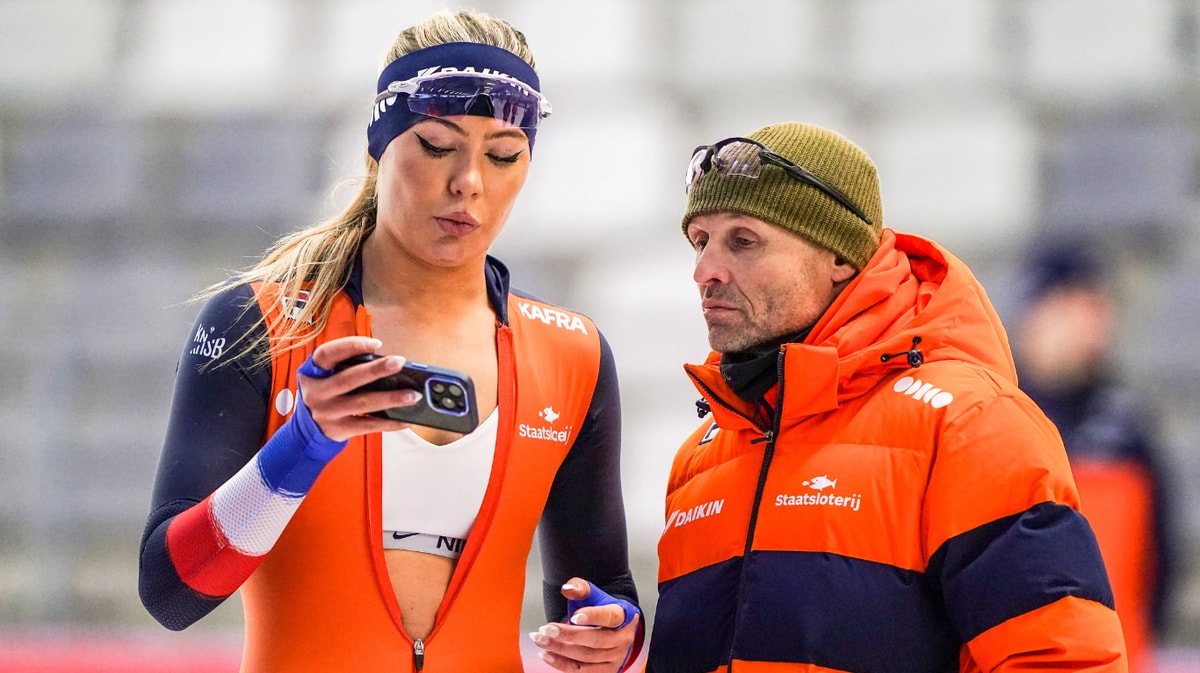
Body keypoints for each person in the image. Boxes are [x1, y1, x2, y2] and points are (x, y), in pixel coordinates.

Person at [137, 10, 642, 673]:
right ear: (378, 146)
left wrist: (613, 637)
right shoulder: (262, 321)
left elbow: (602, 593)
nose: (469, 181)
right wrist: (303, 445)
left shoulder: (572, 354)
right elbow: (172, 594)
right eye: (436, 145)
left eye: (503, 154)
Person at [646, 122, 1128, 672]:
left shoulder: (968, 424)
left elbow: (1064, 661)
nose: (705, 272)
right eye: (700, 241)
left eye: (743, 241)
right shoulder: (704, 457)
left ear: (839, 257)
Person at [1011, 239, 1176, 673]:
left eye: (1097, 308)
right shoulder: (998, 418)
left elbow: (1160, 558)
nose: (1093, 325)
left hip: (1116, 657)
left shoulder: (1127, 429)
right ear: (1038, 312)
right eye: (1076, 306)